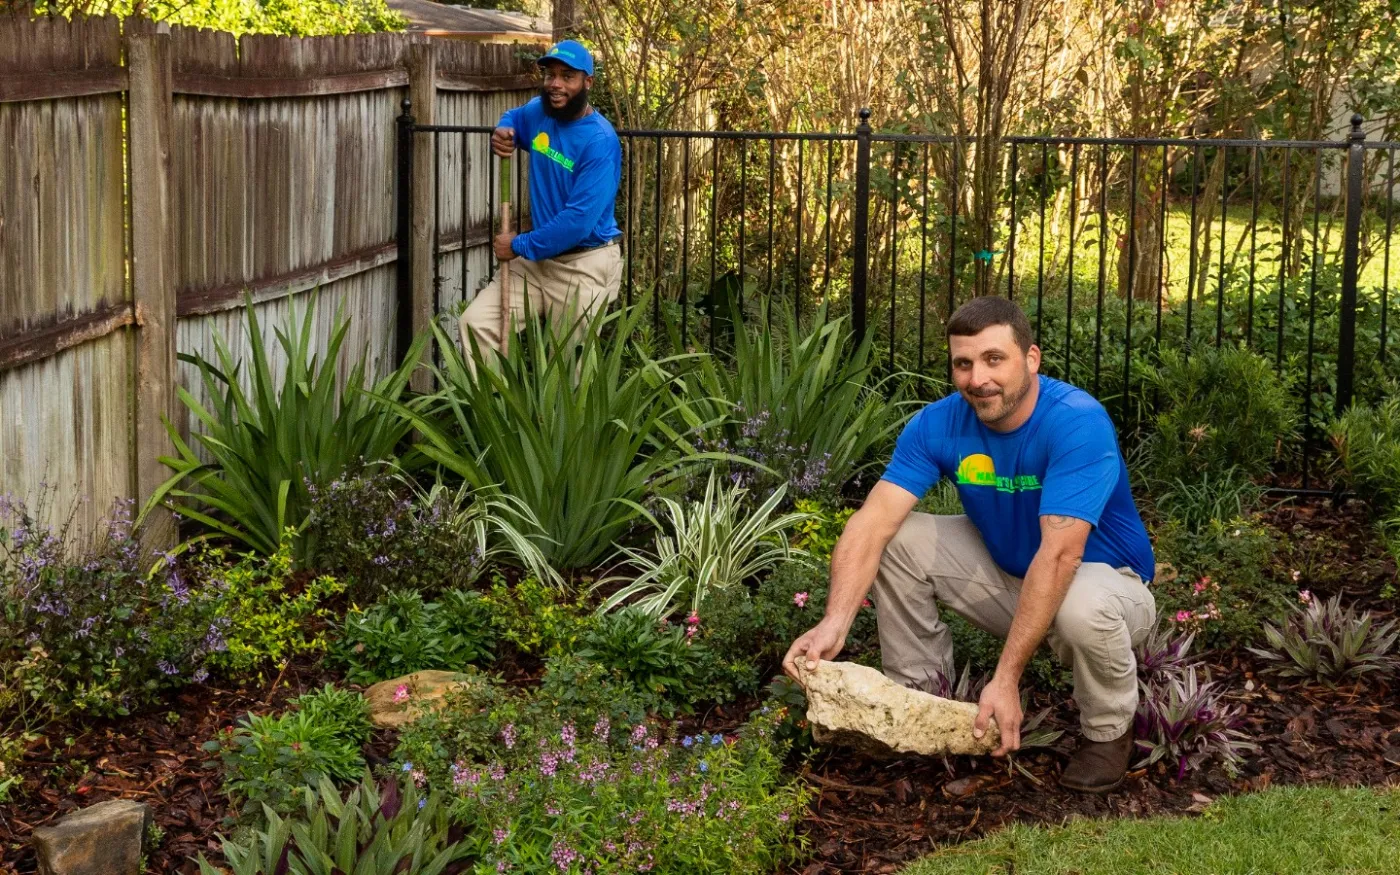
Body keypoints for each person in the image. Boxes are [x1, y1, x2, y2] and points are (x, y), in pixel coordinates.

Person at [782, 296, 1156, 794]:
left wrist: (1006, 679)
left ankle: (1108, 733)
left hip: (1109, 587)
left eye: (993, 359)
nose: (977, 378)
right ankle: (921, 702)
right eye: (964, 363)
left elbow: (1062, 556)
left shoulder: (1076, 421)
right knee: (899, 537)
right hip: (1016, 577)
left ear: (1031, 359)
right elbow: (870, 524)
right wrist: (834, 622)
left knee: (1080, 606)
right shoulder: (937, 423)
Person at [459, 39, 623, 362]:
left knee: (567, 371)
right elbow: (514, 117)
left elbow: (577, 222)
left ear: (588, 83)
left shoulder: (600, 142)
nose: (555, 84)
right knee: (476, 325)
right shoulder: (539, 113)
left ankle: (559, 416)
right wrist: (504, 131)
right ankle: (493, 411)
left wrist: (517, 245)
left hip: (583, 263)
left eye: (567, 76)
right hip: (537, 262)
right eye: (550, 75)